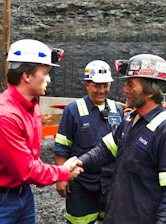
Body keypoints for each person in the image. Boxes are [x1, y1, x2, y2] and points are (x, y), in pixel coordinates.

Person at [0, 39, 83, 224]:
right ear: (27, 76)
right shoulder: (3, 116)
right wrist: (62, 172)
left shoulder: (31, 105)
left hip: (22, 194)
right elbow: (26, 170)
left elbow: (30, 159)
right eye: (45, 73)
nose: (49, 79)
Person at [78, 54, 166, 224]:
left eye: (131, 85)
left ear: (150, 91)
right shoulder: (130, 119)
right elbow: (105, 150)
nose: (124, 90)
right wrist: (79, 163)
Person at [53, 60, 124, 224]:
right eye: (97, 86)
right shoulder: (73, 110)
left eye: (105, 85)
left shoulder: (117, 109)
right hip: (81, 184)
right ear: (87, 85)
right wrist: (61, 178)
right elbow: (61, 147)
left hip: (110, 184)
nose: (101, 90)